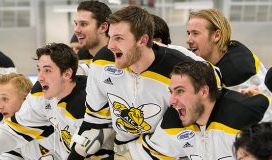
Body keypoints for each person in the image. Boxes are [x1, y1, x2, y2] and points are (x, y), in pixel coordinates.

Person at [68, 6, 196, 160]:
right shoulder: (102, 62)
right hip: (122, 149)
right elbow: (94, 119)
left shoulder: (179, 68)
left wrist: (135, 154)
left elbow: (213, 82)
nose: (110, 46)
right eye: (110, 37)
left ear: (143, 40)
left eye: (119, 38)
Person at [0, 43, 113, 160]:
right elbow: (15, 128)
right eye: (38, 70)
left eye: (47, 70)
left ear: (66, 74)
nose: (40, 77)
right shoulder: (40, 95)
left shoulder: (89, 99)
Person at [132, 61, 269, 159]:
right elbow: (152, 151)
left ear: (204, 91)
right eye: (171, 92)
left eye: (180, 91)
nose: (172, 100)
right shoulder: (176, 119)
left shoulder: (247, 113)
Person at [186, 9, 272, 121]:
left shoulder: (237, 71)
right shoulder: (221, 51)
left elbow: (257, 116)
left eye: (195, 33)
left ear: (216, 36)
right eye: (188, 33)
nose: (189, 40)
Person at [74, 1, 112, 75]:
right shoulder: (81, 56)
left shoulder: (120, 59)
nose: (76, 30)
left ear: (103, 27)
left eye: (83, 24)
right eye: (76, 24)